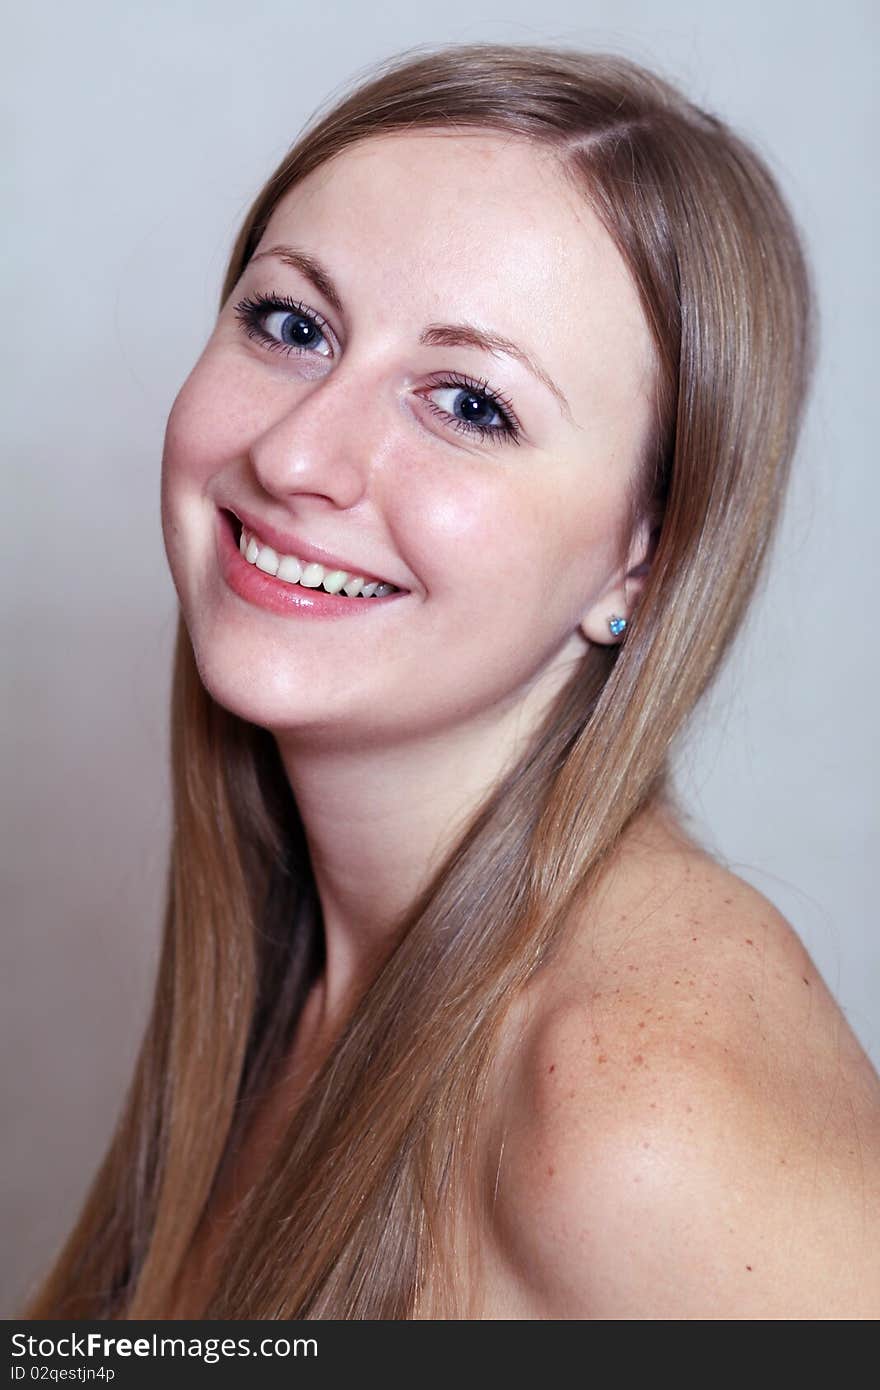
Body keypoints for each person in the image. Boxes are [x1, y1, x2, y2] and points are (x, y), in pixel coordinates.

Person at [23, 40, 880, 1321]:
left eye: (469, 405)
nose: (300, 454)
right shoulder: (299, 969)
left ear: (645, 561)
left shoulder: (634, 1101)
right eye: (292, 324)